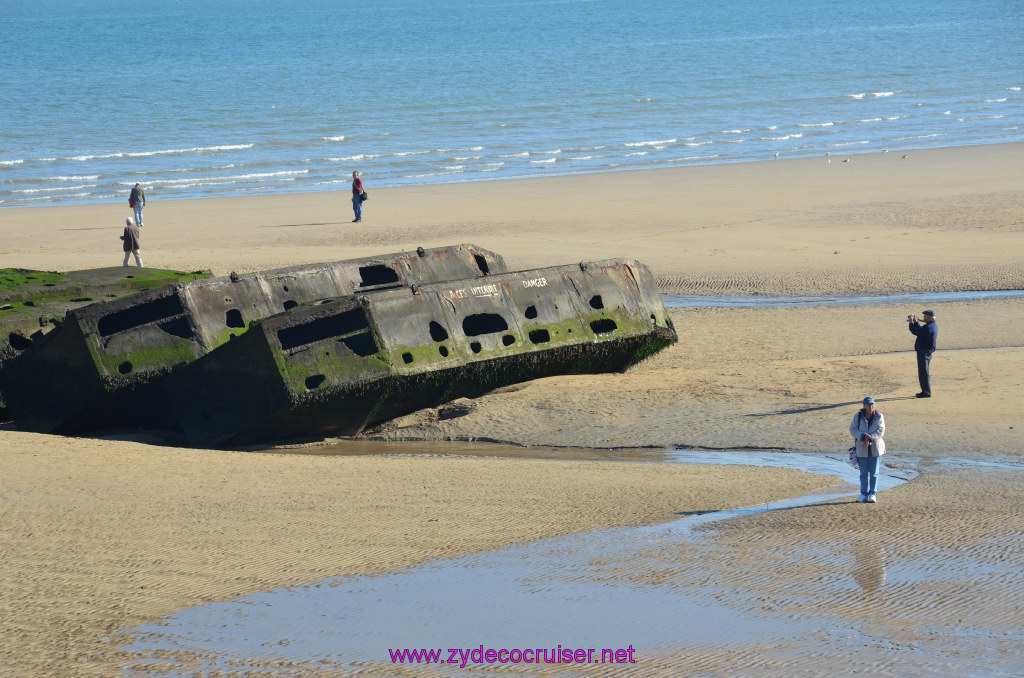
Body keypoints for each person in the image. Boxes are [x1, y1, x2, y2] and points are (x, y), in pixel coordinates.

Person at [850, 396, 885, 503]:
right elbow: (852, 429)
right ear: (864, 406)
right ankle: (864, 494)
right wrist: (862, 436)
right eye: (868, 405)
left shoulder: (879, 416)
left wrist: (870, 438)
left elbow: (881, 431)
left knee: (874, 473)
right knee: (863, 473)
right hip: (861, 449)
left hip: (876, 449)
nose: (871, 407)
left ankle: (872, 494)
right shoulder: (858, 416)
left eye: (872, 405)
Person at [908, 309, 937, 397]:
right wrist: (916, 321)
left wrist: (910, 322)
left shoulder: (929, 327)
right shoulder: (931, 325)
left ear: (929, 317)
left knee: (923, 373)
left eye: (925, 316)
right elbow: (920, 330)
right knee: (924, 372)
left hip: (924, 352)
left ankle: (926, 392)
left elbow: (916, 331)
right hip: (926, 351)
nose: (923, 317)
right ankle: (925, 391)